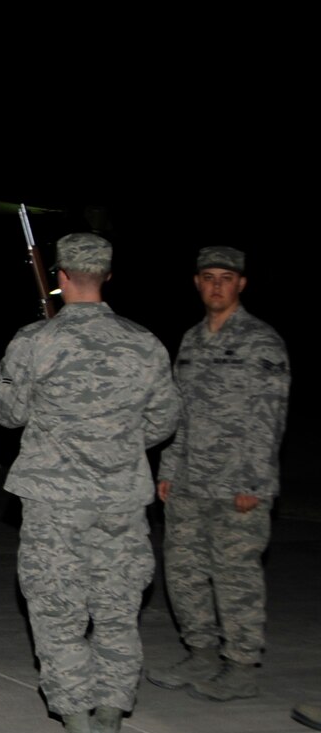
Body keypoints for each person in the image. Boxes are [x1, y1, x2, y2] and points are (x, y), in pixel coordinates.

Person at [0, 233, 179, 733]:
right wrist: (112, 441)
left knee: (58, 614)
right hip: (121, 500)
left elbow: (6, 411)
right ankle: (111, 730)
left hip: (55, 505)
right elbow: (164, 420)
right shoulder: (144, 343)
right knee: (118, 614)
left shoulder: (35, 340)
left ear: (62, 276)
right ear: (108, 277)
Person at [146, 246, 289, 702]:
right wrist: (169, 468)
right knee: (184, 571)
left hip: (236, 484)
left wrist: (255, 481)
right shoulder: (190, 340)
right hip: (189, 481)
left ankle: (242, 664)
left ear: (241, 284)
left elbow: (270, 418)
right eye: (208, 277)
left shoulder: (261, 341)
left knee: (235, 576)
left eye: (225, 278)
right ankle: (201, 652)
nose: (216, 285)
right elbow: (178, 412)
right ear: (197, 283)